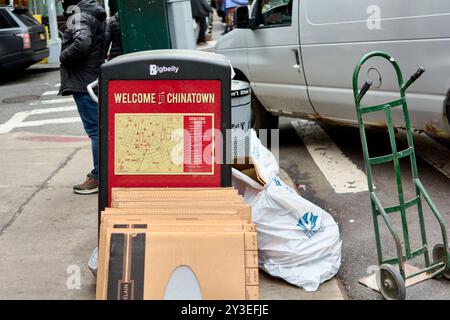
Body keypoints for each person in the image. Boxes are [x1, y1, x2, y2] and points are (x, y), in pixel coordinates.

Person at [59, 0, 106, 194]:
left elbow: (82, 42)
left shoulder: (78, 17)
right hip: (91, 79)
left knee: (95, 131)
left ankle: (98, 176)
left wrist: (63, 57)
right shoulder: (90, 14)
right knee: (99, 130)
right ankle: (102, 173)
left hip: (83, 82)